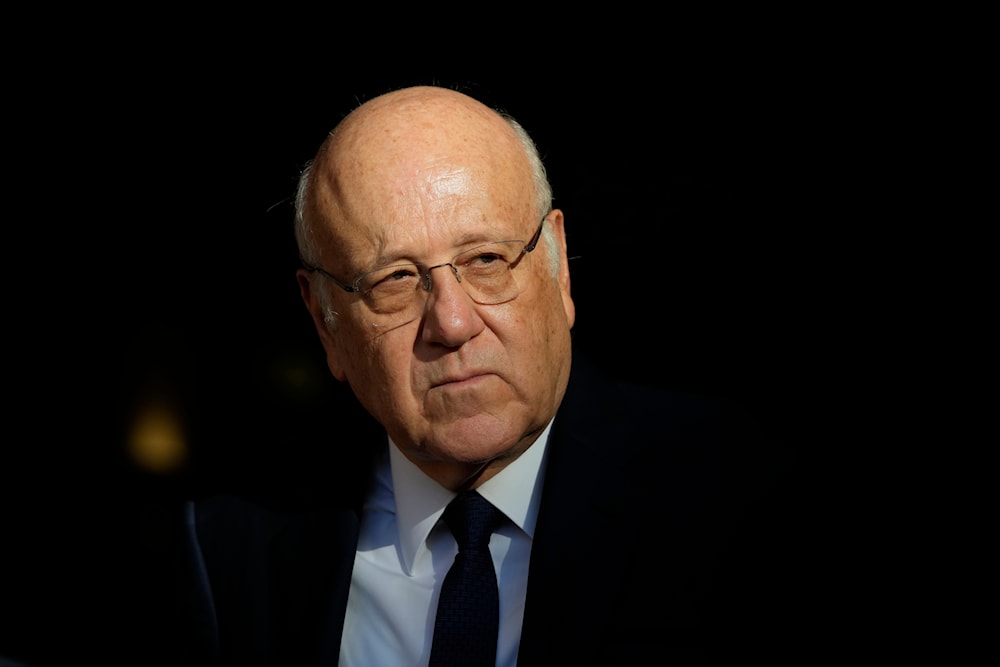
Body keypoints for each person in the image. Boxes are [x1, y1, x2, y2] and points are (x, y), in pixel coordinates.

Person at [165, 84, 796, 666]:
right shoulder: (230, 543)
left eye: (487, 259)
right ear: (325, 322)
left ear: (560, 270)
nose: (453, 321)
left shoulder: (743, 495)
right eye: (395, 280)